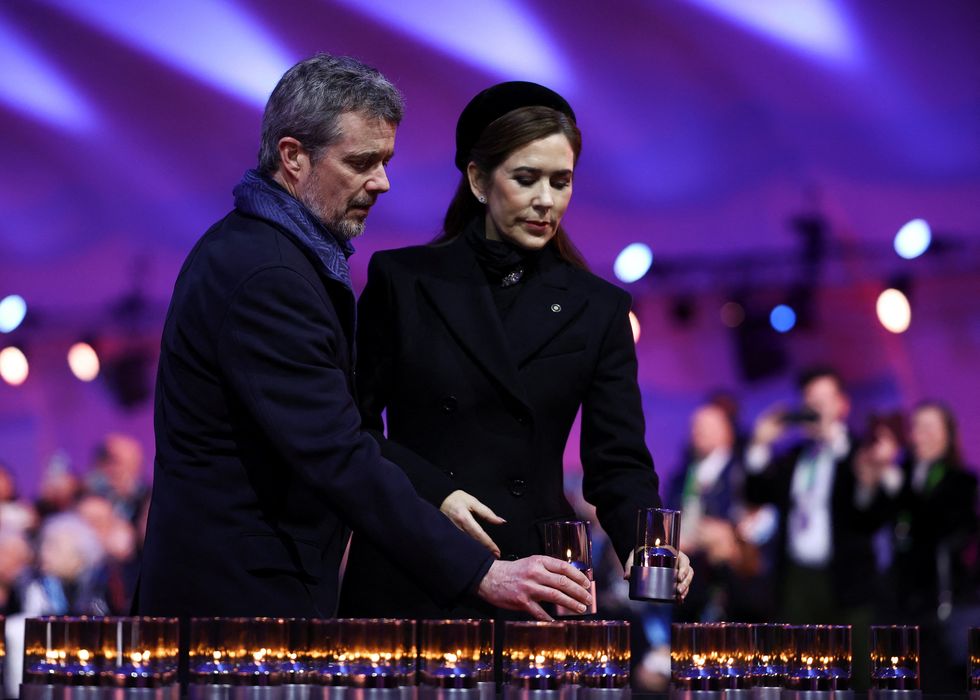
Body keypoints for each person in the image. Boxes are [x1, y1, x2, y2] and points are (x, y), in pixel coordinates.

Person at [137, 55, 592, 622]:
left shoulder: (270, 255)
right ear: (293, 157)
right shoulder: (269, 275)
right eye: (361, 162)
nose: (382, 181)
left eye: (385, 160)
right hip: (237, 605)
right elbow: (338, 451)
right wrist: (480, 572)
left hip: (244, 592)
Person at [339, 81, 692, 619]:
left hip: (536, 570)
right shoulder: (403, 281)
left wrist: (649, 548)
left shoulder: (596, 309)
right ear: (479, 180)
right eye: (526, 179)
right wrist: (436, 493)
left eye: (562, 181)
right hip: (415, 558)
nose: (546, 200)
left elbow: (617, 461)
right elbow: (354, 426)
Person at [743, 367, 886, 690]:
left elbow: (870, 516)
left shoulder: (860, 451)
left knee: (858, 674)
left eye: (823, 400)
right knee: (797, 671)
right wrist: (759, 444)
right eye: (809, 401)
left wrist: (841, 448)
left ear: (842, 405)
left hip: (847, 581)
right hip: (796, 579)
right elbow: (757, 494)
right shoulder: (795, 456)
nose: (815, 408)